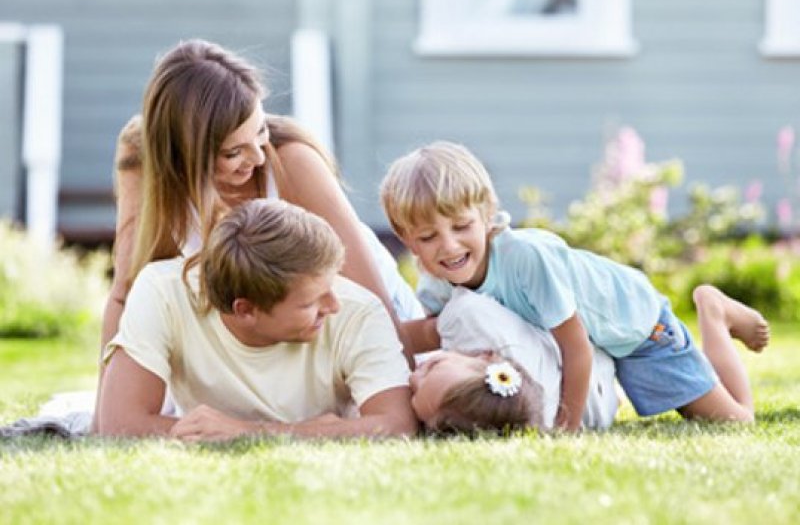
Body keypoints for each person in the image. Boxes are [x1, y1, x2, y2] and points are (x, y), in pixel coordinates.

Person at [381, 141, 770, 432]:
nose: (449, 247)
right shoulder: (438, 277)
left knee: (734, 420)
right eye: (429, 236)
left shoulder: (524, 258)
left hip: (636, 326)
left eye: (461, 227)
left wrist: (566, 424)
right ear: (407, 238)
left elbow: (576, 347)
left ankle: (714, 310)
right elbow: (427, 334)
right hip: (600, 338)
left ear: (485, 215)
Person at [101, 39, 421, 390]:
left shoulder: (292, 160)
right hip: (271, 337)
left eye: (261, 131)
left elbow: (369, 296)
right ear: (184, 154)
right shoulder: (141, 160)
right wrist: (107, 404)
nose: (256, 158)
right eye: (233, 152)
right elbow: (125, 293)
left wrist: (398, 385)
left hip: (364, 316)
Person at [97, 199, 418, 440]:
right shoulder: (164, 290)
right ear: (245, 310)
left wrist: (249, 432)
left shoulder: (358, 311)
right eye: (310, 302)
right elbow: (120, 423)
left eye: (330, 285)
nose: (333, 305)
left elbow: (396, 424)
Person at [409, 287, 619, 434]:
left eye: (414, 394)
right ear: (485, 355)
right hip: (595, 381)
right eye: (431, 365)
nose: (412, 377)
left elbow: (408, 337)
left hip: (598, 395)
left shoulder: (466, 315)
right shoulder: (474, 321)